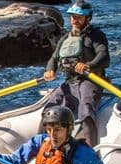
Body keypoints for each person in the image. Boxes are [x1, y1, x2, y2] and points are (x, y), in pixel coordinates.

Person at [43, 0, 109, 147]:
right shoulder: (65, 38)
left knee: (85, 109)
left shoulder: (96, 35)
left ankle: (90, 150)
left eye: (79, 17)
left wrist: (88, 65)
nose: (74, 20)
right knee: (49, 110)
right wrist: (50, 70)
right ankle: (43, 147)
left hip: (90, 81)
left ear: (88, 18)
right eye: (73, 16)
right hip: (69, 82)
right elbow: (54, 58)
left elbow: (104, 57)